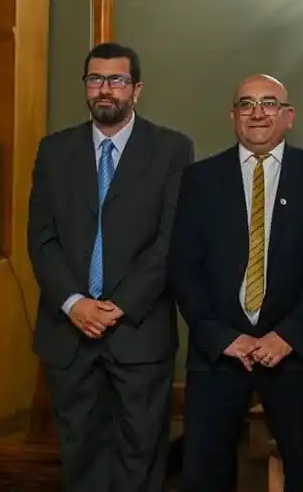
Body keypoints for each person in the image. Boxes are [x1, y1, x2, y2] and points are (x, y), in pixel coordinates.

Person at [27, 42, 195, 492]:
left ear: (136, 90)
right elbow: (41, 239)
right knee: (80, 455)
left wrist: (118, 305)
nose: (105, 89)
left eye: (116, 80)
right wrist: (74, 303)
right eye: (95, 79)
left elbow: (170, 241)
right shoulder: (54, 151)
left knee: (141, 455)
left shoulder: (172, 150)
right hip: (69, 335)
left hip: (139, 333)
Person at [168, 74, 303, 492]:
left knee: (302, 473)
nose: (257, 113)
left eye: (269, 104)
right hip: (218, 355)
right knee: (205, 473)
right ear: (233, 116)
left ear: (289, 116)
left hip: (294, 355)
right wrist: (225, 339)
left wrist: (287, 337)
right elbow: (183, 268)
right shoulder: (201, 179)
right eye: (246, 104)